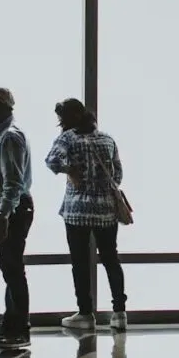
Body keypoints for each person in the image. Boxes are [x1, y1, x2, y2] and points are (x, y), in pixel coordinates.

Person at [45, 98, 128, 331]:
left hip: (77, 210)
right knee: (111, 258)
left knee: (80, 262)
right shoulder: (107, 139)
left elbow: (51, 161)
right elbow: (118, 174)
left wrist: (70, 170)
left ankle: (85, 314)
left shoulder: (68, 138)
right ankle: (119, 313)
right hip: (106, 211)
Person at [0, 86, 35, 350]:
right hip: (9, 208)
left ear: (3, 107)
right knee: (9, 267)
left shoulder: (9, 138)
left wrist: (3, 216)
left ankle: (19, 328)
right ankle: (10, 322)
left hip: (12, 209)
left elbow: (13, 182)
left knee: (12, 268)